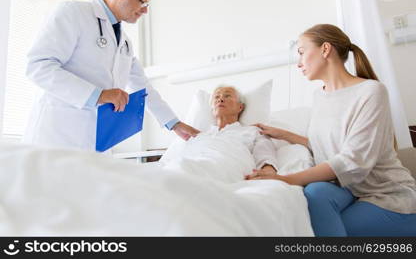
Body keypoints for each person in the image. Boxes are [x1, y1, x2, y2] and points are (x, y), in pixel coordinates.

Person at [246, 24, 416, 236]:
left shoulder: (371, 92)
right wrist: (284, 135)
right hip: (351, 191)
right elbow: (327, 146)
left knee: (320, 229)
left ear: (325, 49)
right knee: (315, 191)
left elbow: (353, 160)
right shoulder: (320, 96)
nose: (298, 63)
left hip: (386, 195)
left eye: (301, 52)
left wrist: (285, 180)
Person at [23, 0, 199, 151]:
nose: (145, 11)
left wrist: (174, 124)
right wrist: (98, 95)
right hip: (55, 136)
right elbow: (38, 66)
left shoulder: (125, 43)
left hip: (95, 141)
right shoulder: (73, 13)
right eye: (142, 2)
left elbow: (143, 87)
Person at [162, 86, 279, 183]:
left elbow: (266, 154)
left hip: (223, 169)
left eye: (227, 96)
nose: (220, 99)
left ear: (240, 107)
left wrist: (268, 170)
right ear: (212, 109)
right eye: (216, 97)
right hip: (183, 169)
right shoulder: (199, 136)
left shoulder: (252, 131)